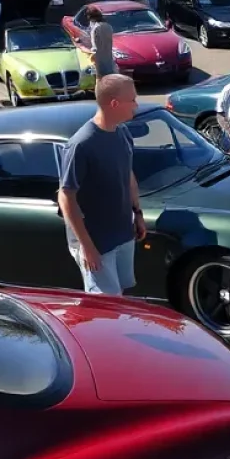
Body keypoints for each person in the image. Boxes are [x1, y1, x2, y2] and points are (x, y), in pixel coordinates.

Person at [58, 74, 146, 295]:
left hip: (123, 234)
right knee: (107, 305)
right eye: (132, 100)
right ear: (114, 104)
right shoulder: (81, 145)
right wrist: (87, 247)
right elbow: (66, 197)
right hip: (97, 243)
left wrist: (138, 213)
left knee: (121, 296)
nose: (136, 105)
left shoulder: (122, 132)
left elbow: (128, 175)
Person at [85, 4, 116, 78]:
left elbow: (95, 47)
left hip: (99, 61)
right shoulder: (108, 26)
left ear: (91, 17)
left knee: (101, 79)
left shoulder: (96, 28)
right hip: (109, 59)